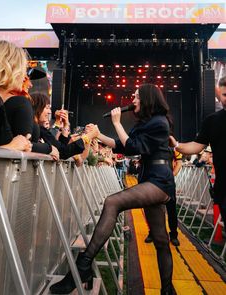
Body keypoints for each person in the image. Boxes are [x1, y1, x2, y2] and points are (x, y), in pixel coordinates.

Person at [50, 83, 175, 294]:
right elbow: (121, 145)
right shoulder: (147, 122)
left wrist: (117, 122)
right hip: (150, 179)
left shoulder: (159, 122)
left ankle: (83, 265)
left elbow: (133, 147)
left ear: (147, 99)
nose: (132, 100)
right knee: (161, 241)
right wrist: (98, 135)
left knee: (112, 201)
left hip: (159, 181)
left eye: (136, 97)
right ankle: (168, 289)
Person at [169, 75, 226, 234]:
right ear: (219, 95)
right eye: (225, 95)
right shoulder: (212, 121)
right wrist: (177, 145)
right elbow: (196, 146)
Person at [144, 148, 182, 246]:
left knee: (171, 210)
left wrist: (172, 175)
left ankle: (173, 235)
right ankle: (152, 233)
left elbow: (179, 163)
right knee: (153, 209)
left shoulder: (173, 146)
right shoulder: (150, 142)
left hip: (168, 183)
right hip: (153, 182)